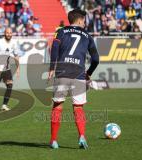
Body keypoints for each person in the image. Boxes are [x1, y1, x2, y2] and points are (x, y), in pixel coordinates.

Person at [48, 8, 99, 149]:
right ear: (80, 20)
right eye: (84, 20)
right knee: (78, 107)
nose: (85, 23)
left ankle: (53, 140)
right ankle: (82, 136)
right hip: (79, 74)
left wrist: (52, 68)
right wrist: (88, 72)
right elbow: (95, 59)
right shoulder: (87, 35)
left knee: (58, 105)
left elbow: (54, 49)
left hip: (62, 72)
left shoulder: (61, 31)